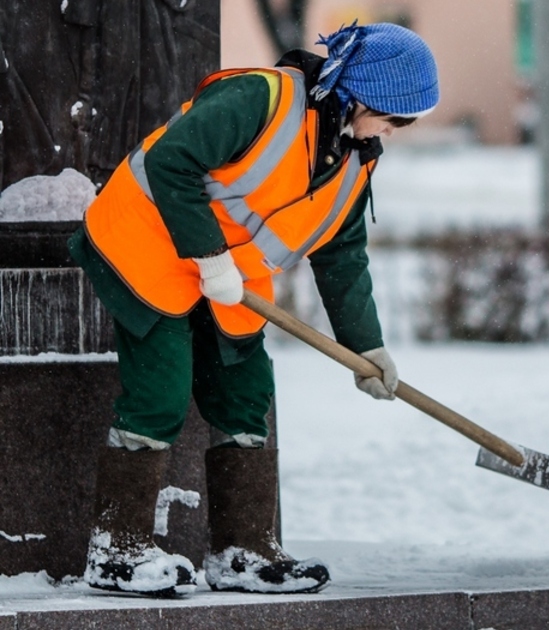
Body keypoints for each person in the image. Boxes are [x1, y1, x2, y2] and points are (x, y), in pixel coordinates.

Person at [67, 21, 438, 598]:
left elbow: (341, 253)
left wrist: (365, 346)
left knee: (245, 393)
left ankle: (242, 552)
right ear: (359, 94)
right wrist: (208, 256)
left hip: (232, 278)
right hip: (150, 242)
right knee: (161, 389)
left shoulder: (355, 155)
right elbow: (171, 163)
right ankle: (116, 550)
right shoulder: (260, 99)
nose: (393, 132)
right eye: (393, 118)